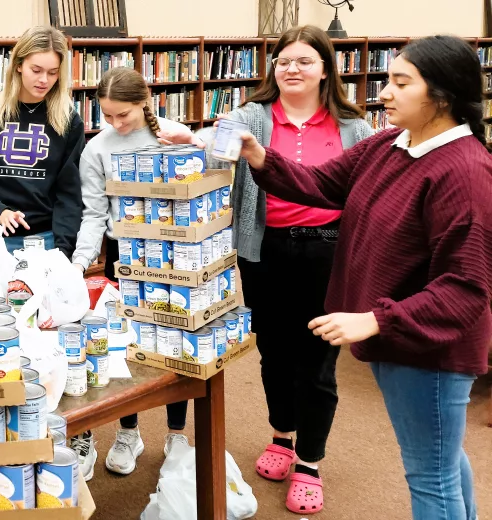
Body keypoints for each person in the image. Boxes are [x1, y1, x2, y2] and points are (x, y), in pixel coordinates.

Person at [238, 35, 491, 519]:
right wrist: (260, 157)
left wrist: (376, 320)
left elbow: (466, 287)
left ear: (442, 95)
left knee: (430, 475)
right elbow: (320, 182)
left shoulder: (464, 170)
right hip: (401, 339)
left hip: (431, 351)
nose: (384, 93)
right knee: (444, 458)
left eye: (400, 82)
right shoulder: (389, 144)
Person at [198, 25, 372, 514]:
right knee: (273, 353)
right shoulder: (251, 115)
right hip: (265, 250)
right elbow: (212, 147)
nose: (292, 69)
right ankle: (281, 436)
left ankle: (310, 462)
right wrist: (181, 135)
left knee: (317, 362)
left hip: (329, 254)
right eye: (284, 61)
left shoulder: (355, 127)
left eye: (304, 61)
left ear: (325, 70)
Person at [70, 67, 203, 480]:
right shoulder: (97, 149)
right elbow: (93, 215)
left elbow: (204, 191)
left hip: (178, 257)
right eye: (107, 115)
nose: (115, 124)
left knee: (175, 345)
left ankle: (177, 433)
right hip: (124, 258)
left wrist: (197, 143)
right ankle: (129, 432)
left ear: (145, 101)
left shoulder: (174, 135)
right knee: (127, 347)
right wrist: (77, 264)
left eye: (123, 115)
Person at [0, 25, 84, 256]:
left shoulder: (68, 120)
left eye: (53, 72)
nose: (44, 80)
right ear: (18, 66)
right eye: (36, 70)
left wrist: (63, 250)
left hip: (48, 240)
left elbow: (69, 193)